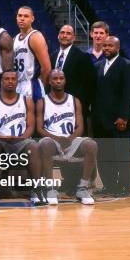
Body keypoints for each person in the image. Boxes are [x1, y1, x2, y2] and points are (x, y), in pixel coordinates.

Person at [36, 70, 97, 205]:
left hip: (71, 140)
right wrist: (57, 139)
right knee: (45, 144)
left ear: (65, 80)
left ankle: (82, 187)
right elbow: (40, 128)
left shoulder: (74, 101)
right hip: (52, 141)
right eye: (55, 78)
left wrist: (70, 139)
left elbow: (80, 126)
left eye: (61, 78)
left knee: (91, 145)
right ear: (49, 81)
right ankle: (50, 188)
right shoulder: (42, 102)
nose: (58, 81)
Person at [0, 70, 45, 205]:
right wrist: (1, 137)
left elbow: (31, 126)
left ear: (17, 81)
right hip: (1, 141)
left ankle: (36, 189)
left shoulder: (27, 101)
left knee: (33, 145)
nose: (10, 81)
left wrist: (22, 138)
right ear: (1, 82)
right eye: (7, 79)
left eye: (13, 79)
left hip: (21, 141)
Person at [92, 36, 130, 197]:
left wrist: (124, 117)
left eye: (110, 46)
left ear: (117, 48)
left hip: (119, 121)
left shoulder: (128, 66)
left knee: (122, 156)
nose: (106, 48)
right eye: (104, 45)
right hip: (100, 121)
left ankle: (125, 187)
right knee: (104, 157)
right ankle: (110, 185)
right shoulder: (97, 66)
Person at [49, 24, 96, 130]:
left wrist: (82, 106)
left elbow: (91, 85)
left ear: (74, 38)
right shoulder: (52, 56)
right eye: (62, 33)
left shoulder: (83, 57)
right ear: (58, 36)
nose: (65, 35)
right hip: (54, 108)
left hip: (75, 108)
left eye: (68, 33)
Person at [13, 6, 51, 102]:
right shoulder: (15, 38)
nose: (22, 18)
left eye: (26, 16)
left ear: (32, 19)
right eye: (20, 15)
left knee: (34, 116)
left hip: (31, 85)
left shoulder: (35, 37)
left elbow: (46, 68)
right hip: (18, 84)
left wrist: (42, 86)